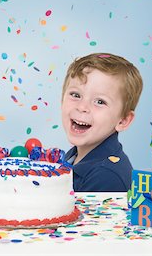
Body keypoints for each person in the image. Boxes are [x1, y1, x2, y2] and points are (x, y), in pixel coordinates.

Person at [61, 53, 143, 192]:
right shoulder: (74, 156)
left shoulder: (107, 176)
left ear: (123, 120)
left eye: (100, 102)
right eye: (76, 95)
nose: (82, 107)